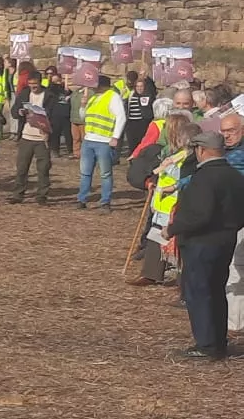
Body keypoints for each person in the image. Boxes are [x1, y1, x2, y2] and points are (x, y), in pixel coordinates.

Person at [163, 130, 244, 360]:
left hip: (202, 242)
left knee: (199, 292)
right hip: (226, 240)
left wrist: (172, 229)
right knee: (216, 290)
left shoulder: (204, 178)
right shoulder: (234, 176)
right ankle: (218, 342)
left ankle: (206, 345)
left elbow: (199, 215)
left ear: (201, 150)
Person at [132, 112, 197, 286]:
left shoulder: (187, 156)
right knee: (156, 236)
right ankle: (151, 273)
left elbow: (183, 177)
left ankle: (182, 280)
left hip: (174, 201)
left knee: (177, 240)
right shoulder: (169, 152)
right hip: (162, 201)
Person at [76, 75, 126, 212]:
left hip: (104, 141)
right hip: (88, 140)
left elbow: (121, 117)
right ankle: (81, 199)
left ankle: (105, 202)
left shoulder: (113, 97)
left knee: (105, 174)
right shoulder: (93, 98)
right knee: (85, 172)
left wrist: (115, 137)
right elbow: (83, 117)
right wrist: (83, 106)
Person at [9, 73, 60, 205]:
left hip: (42, 138)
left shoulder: (49, 96)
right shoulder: (24, 94)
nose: (33, 87)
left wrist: (49, 130)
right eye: (30, 84)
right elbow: (14, 111)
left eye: (35, 84)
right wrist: (20, 112)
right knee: (22, 167)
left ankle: (42, 195)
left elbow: (55, 117)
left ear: (40, 82)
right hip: (26, 136)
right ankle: (18, 194)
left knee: (43, 168)